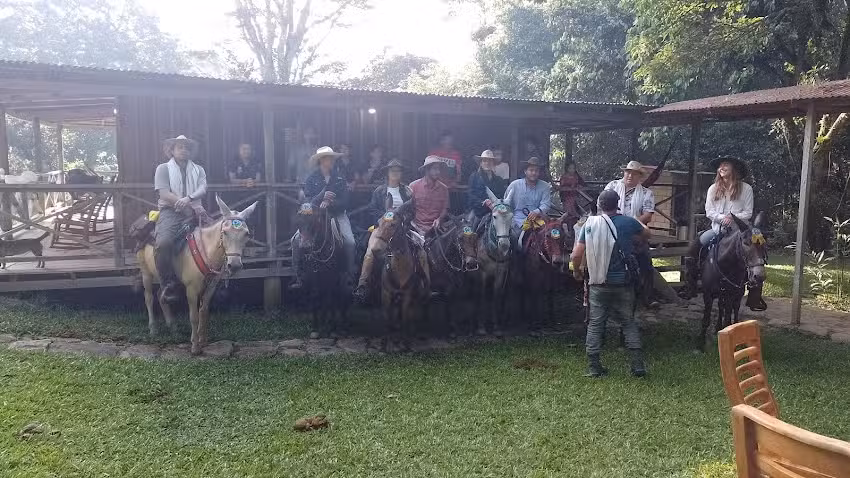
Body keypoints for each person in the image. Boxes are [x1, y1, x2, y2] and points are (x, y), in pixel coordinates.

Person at [571, 189, 650, 378]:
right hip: (623, 283)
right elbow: (647, 234)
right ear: (618, 205)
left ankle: (594, 367)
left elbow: (576, 254)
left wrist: (576, 270)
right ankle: (637, 366)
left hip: (598, 283)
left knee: (596, 324)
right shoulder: (628, 222)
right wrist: (634, 223)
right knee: (628, 322)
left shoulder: (589, 225)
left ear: (599, 205)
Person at [681, 157, 754, 298]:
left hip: (738, 232)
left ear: (734, 169)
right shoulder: (713, 189)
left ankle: (754, 293)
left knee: (755, 253)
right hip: (717, 230)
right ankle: (691, 287)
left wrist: (732, 218)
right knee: (693, 250)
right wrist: (722, 218)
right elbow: (709, 211)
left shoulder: (746, 189)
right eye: (720, 166)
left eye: (726, 165)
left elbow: (748, 212)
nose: (722, 167)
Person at [289, 147, 356, 290]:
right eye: (327, 158)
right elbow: (308, 201)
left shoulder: (339, 178)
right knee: (295, 241)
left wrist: (330, 203)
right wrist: (321, 199)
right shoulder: (311, 179)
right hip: (315, 216)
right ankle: (297, 276)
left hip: (337, 214)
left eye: (332, 158)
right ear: (321, 160)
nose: (331, 160)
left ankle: (350, 277)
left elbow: (346, 201)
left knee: (350, 241)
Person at [153, 135, 208, 303]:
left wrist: (188, 199)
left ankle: (216, 280)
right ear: (172, 150)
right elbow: (163, 193)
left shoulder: (198, 169)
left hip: (194, 209)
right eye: (180, 147)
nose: (184, 150)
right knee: (164, 243)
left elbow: (203, 188)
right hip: (171, 211)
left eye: (187, 148)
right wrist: (181, 202)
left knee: (219, 237)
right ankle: (168, 283)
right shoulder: (163, 168)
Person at [353, 159, 412, 301]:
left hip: (403, 228)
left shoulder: (407, 191)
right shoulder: (379, 191)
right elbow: (372, 210)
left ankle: (424, 281)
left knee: (421, 249)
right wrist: (383, 219)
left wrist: (404, 219)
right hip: (383, 227)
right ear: (387, 173)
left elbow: (412, 210)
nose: (395, 173)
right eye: (393, 171)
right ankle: (363, 284)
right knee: (371, 250)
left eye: (398, 171)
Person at [603, 160, 657, 307]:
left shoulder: (646, 193)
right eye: (628, 172)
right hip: (610, 230)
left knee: (646, 262)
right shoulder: (612, 186)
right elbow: (601, 206)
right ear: (624, 172)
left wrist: (630, 225)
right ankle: (603, 294)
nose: (630, 175)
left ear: (640, 177)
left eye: (634, 173)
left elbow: (648, 215)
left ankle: (649, 297)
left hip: (636, 233)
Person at [504, 156, 552, 249]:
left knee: (549, 237)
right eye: (531, 170)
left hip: (537, 220)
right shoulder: (514, 185)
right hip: (517, 220)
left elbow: (546, 204)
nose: (534, 173)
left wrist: (537, 211)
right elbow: (506, 204)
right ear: (525, 171)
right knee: (513, 241)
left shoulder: (545, 186)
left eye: (536, 170)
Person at [466, 150, 508, 231]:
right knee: (469, 233)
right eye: (484, 160)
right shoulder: (474, 176)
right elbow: (471, 195)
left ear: (493, 163)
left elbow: (502, 195)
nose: (487, 163)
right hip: (478, 210)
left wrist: (497, 204)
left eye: (490, 161)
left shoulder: (498, 180)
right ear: (481, 163)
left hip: (495, 210)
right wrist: (483, 202)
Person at [410, 156, 451, 236]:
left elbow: (445, 209)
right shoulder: (413, 186)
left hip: (435, 229)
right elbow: (409, 209)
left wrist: (439, 219)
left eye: (439, 169)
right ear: (427, 170)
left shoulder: (444, 189)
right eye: (435, 169)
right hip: (416, 228)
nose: (438, 172)